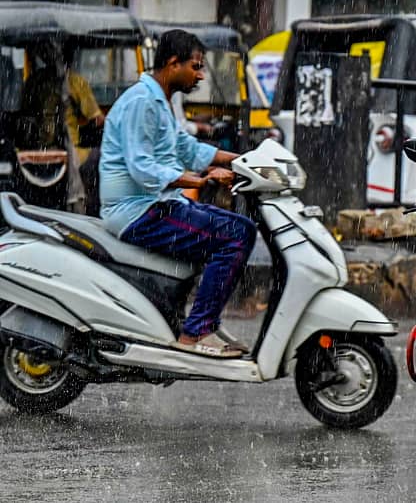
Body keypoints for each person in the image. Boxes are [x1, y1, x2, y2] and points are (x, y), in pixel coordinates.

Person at [99, 29, 255, 359]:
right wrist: (201, 181)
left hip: (157, 204)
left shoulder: (159, 99)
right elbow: (142, 167)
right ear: (173, 64)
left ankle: (200, 321)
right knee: (235, 235)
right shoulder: (143, 102)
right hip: (137, 211)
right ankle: (196, 332)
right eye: (196, 67)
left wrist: (245, 161)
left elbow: (186, 148)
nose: (200, 76)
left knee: (243, 228)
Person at [20, 41, 106, 212]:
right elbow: (98, 120)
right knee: (100, 157)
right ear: (71, 57)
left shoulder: (33, 81)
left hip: (36, 149)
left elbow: (25, 113)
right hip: (71, 151)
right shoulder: (74, 81)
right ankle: (93, 210)